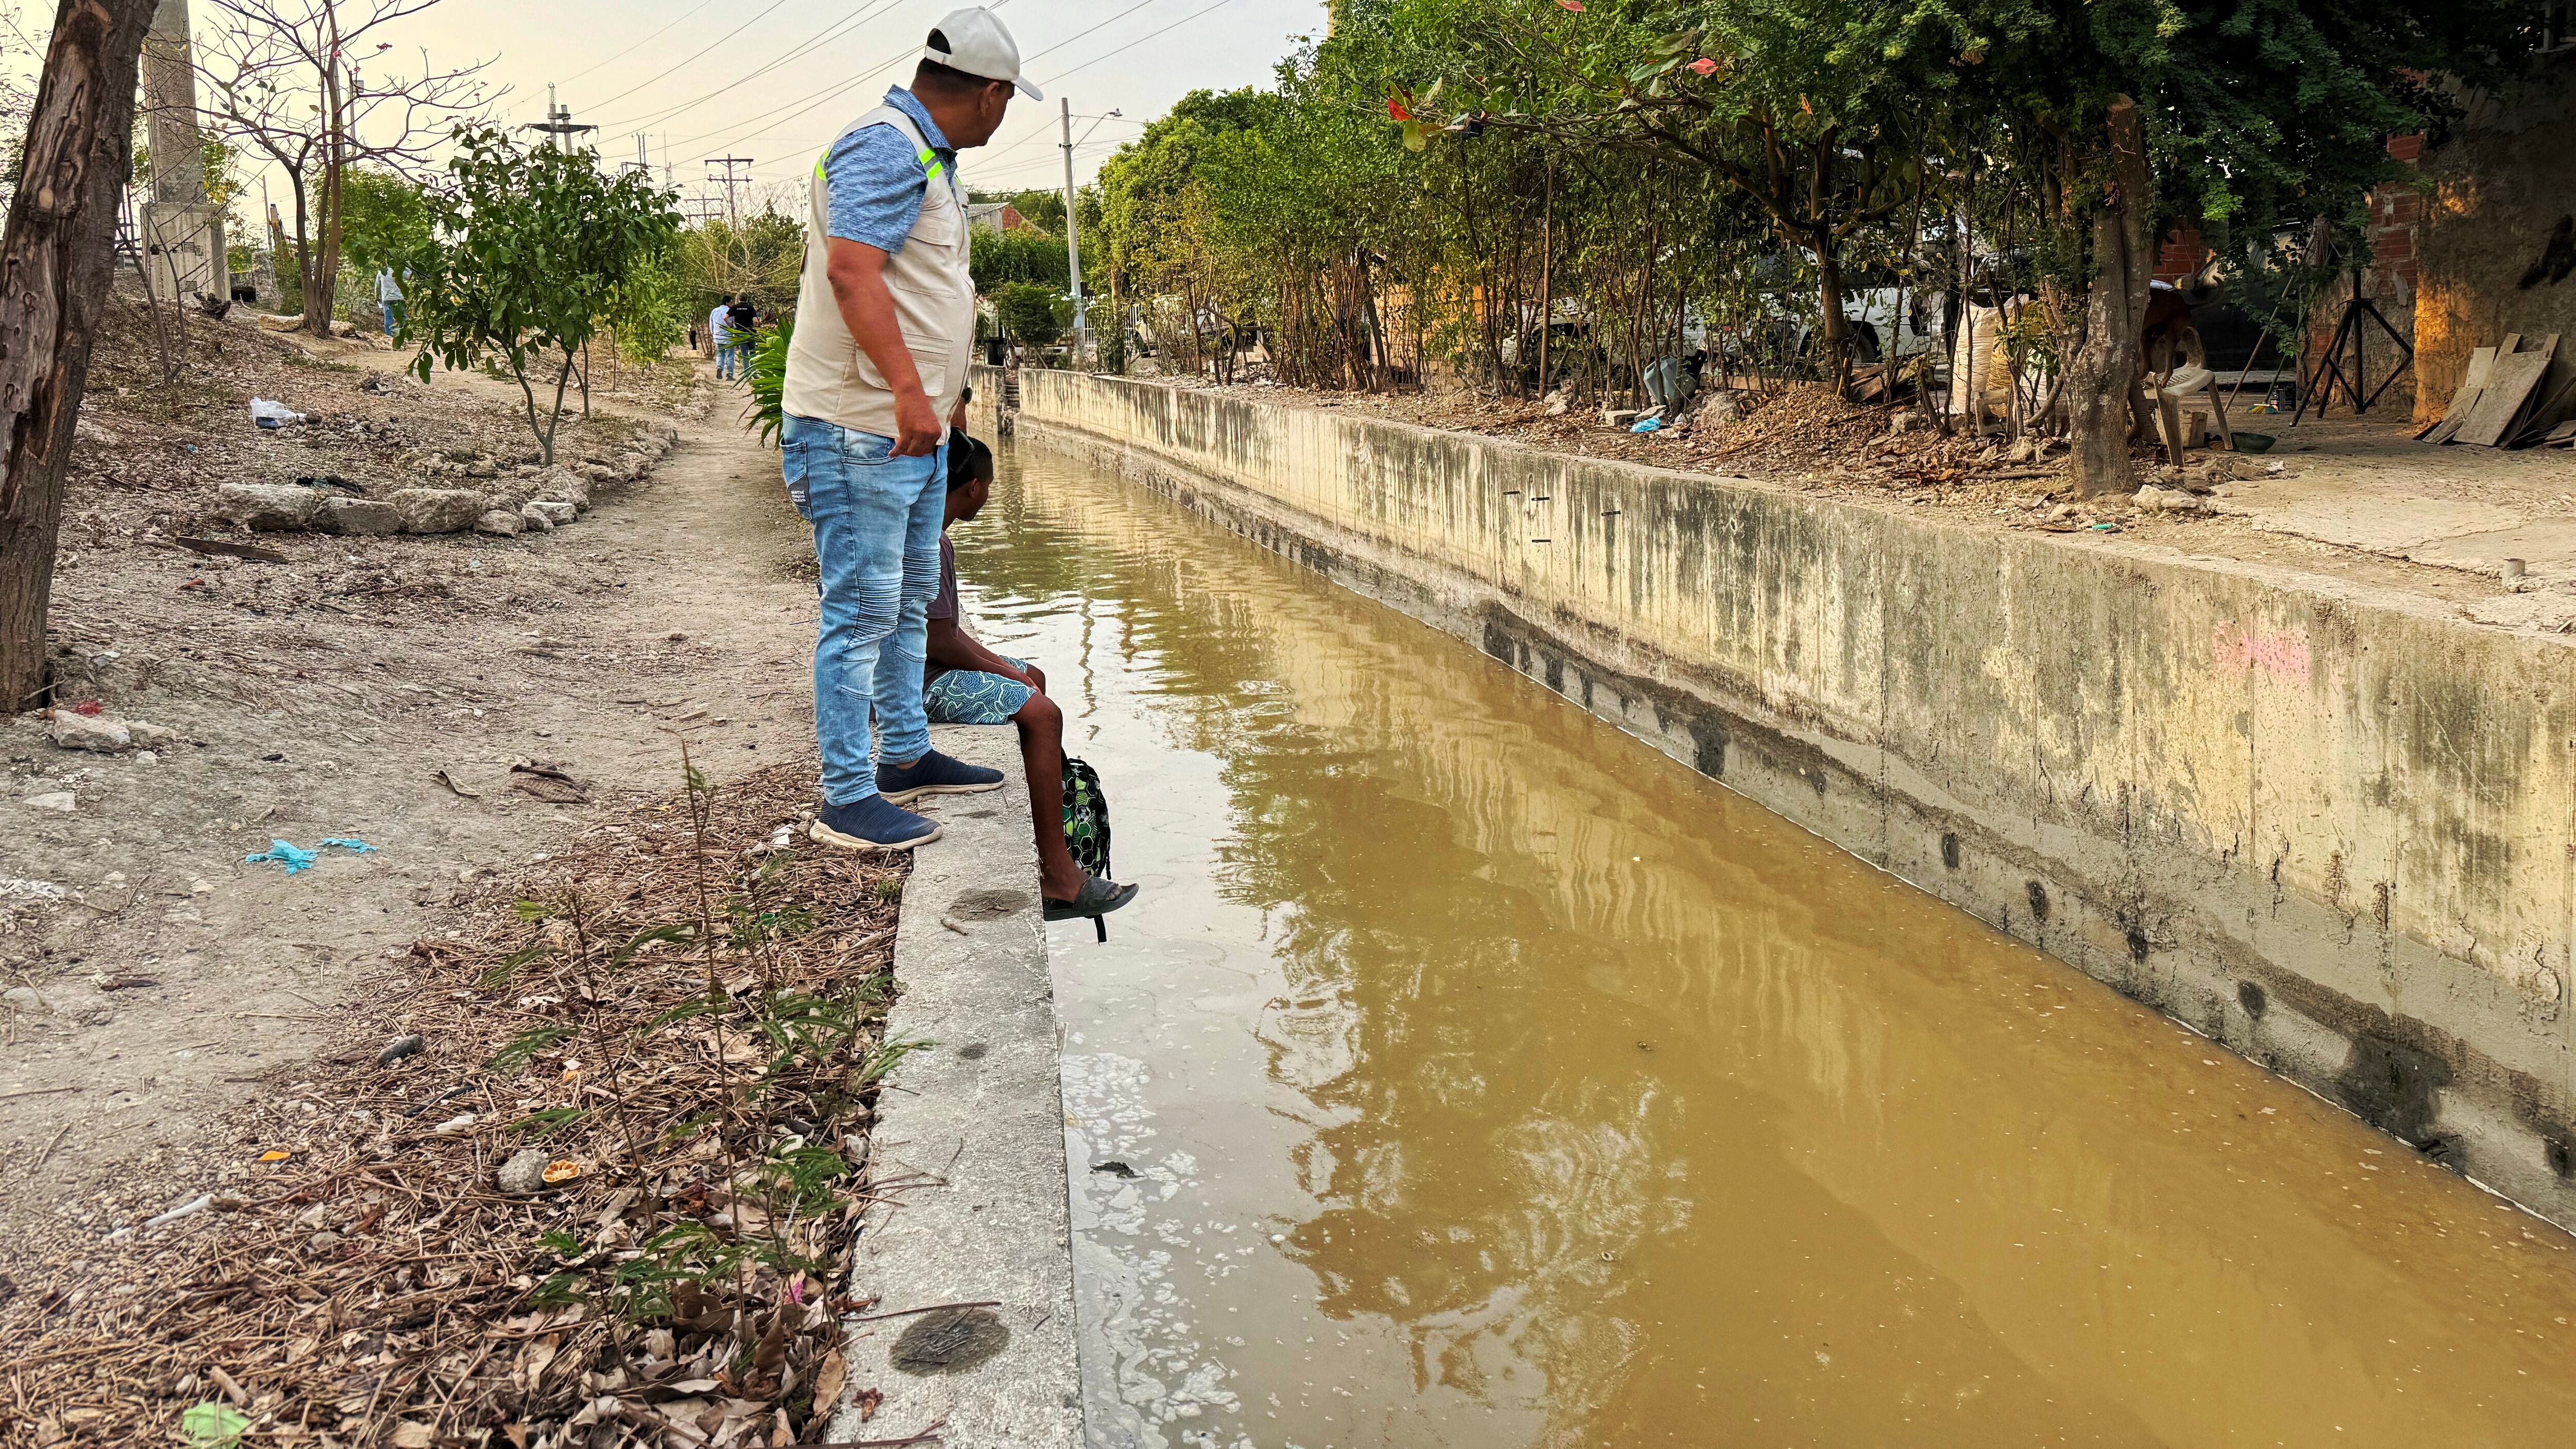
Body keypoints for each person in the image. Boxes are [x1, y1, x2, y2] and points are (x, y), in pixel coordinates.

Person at [781, 7, 1036, 850]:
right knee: (860, 612)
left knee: (903, 605)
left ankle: (905, 754)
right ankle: (847, 795)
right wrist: (907, 392)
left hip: (909, 435)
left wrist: (944, 395)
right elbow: (855, 274)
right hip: (861, 430)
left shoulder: (924, 154)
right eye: (1008, 103)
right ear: (992, 93)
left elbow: (919, 288)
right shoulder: (886, 146)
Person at [928, 437, 1139, 919]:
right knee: (1043, 713)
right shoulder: (930, 542)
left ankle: (1042, 827)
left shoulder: (933, 534)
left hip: (928, 662)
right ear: (975, 488)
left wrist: (1011, 671)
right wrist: (1005, 674)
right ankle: (1058, 874)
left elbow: (946, 631)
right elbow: (937, 644)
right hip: (919, 682)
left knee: (1034, 675)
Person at [376, 268, 404, 335]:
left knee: (388, 317)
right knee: (403, 317)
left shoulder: (381, 272)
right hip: (398, 298)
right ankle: (402, 334)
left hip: (386, 299)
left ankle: (389, 335)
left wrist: (378, 297)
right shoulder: (398, 270)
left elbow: (377, 286)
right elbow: (408, 276)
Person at [710, 298, 733, 377]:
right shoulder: (730, 311)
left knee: (720, 355)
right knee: (730, 356)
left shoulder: (715, 311)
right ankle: (730, 374)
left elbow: (711, 325)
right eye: (731, 302)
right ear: (727, 302)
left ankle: (720, 368)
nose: (732, 304)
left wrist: (713, 335)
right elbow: (733, 325)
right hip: (728, 338)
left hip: (718, 338)